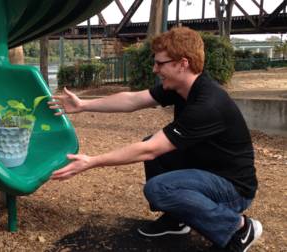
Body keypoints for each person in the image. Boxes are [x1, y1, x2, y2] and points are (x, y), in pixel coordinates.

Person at [48, 27, 262, 251]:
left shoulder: (207, 104)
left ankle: (239, 228)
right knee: (155, 148)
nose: (154, 69)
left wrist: (92, 161)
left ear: (183, 63)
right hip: (206, 171)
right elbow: (132, 100)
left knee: (159, 188)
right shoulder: (182, 87)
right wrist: (83, 105)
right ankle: (177, 219)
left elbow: (148, 149)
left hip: (232, 190)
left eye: (160, 63)